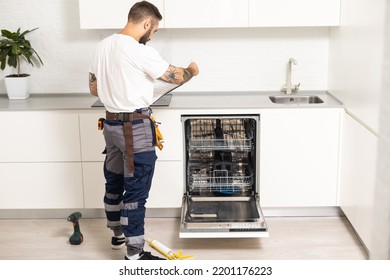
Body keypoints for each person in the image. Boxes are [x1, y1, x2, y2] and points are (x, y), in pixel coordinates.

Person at [88, 1, 199, 260]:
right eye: (155, 29)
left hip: (111, 126)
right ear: (147, 23)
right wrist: (192, 70)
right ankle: (135, 254)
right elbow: (177, 76)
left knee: (113, 181)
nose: (152, 34)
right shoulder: (138, 50)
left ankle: (117, 235)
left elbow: (94, 89)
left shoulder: (101, 47)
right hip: (134, 129)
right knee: (136, 190)